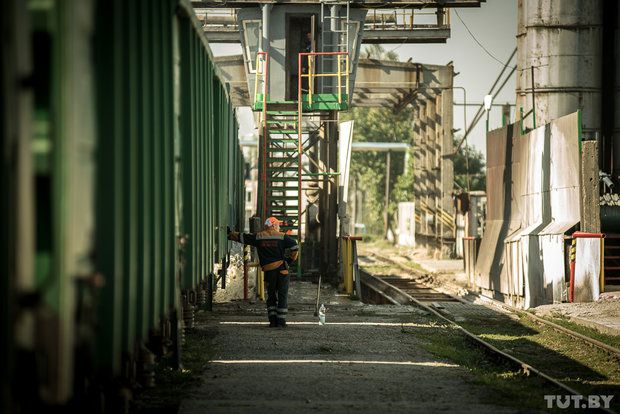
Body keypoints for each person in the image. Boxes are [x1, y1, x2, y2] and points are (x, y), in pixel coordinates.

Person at [228, 217, 299, 327]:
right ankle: (281, 321)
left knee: (271, 296)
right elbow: (295, 245)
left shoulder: (259, 236)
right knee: (282, 295)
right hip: (282, 270)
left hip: (269, 271)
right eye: (278, 225)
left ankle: (272, 321)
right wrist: (289, 261)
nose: (279, 227)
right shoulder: (282, 237)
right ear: (274, 225)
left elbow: (243, 237)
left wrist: (230, 234)